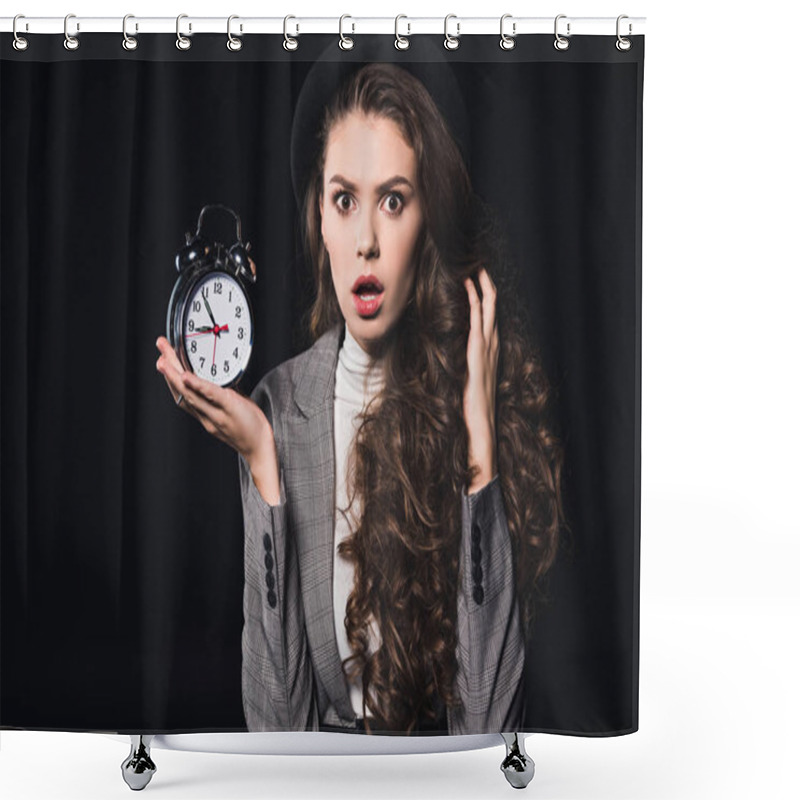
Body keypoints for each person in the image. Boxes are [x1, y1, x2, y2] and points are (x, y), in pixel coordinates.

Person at [155, 61, 564, 735]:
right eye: (345, 199)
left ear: (426, 219)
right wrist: (263, 463)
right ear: (320, 216)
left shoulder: (468, 402)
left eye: (394, 200)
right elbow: (277, 727)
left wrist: (480, 447)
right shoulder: (280, 406)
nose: (367, 240)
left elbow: (491, 723)